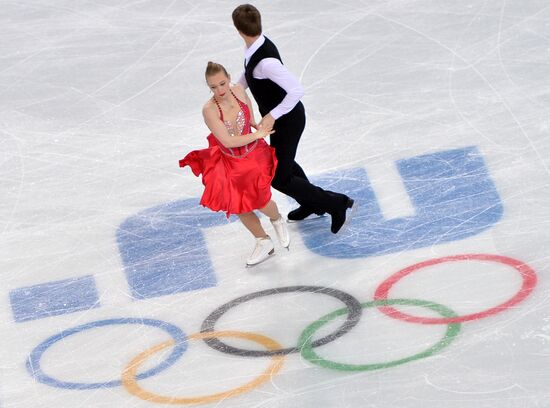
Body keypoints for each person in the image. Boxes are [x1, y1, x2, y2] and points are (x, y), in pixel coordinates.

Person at [231, 4, 355, 234]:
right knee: (286, 165)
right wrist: (233, 91)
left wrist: (271, 115)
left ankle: (335, 203)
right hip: (280, 122)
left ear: (238, 30)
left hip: (289, 121)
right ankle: (310, 203)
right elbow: (248, 75)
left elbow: (297, 90)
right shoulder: (255, 48)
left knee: (279, 178)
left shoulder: (266, 61)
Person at [179, 61, 290, 267]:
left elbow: (249, 117)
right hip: (229, 162)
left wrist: (256, 126)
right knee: (238, 205)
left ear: (229, 78)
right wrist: (257, 134)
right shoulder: (209, 109)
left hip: (253, 156)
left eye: (222, 83)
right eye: (213, 87)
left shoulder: (239, 90)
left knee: (261, 201)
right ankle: (262, 240)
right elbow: (228, 141)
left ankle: (277, 220)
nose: (219, 90)